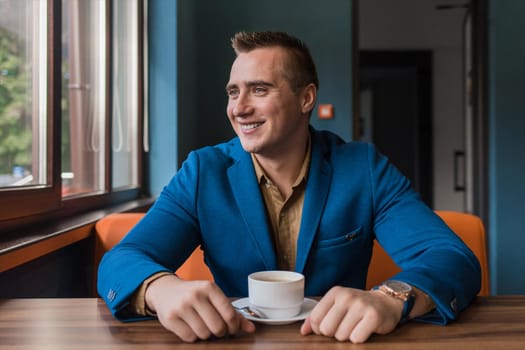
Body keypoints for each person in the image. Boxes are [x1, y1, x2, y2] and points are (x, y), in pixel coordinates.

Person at [98, 31, 481, 343]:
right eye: (234, 92)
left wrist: (391, 298)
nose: (239, 108)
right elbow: (121, 259)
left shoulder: (363, 168)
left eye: (259, 90)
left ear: (306, 98)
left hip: (337, 344)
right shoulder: (203, 171)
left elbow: (453, 258)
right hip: (234, 342)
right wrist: (161, 290)